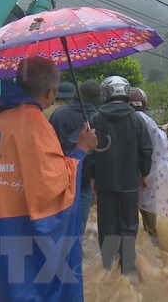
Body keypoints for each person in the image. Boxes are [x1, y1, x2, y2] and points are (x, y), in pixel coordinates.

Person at [0, 56, 98, 301]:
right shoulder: (34, 123)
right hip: (15, 232)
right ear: (51, 92)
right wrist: (82, 149)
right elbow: (53, 185)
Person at [89, 76, 153, 277]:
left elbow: (91, 152)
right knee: (129, 224)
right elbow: (146, 149)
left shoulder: (96, 118)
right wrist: (144, 173)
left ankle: (108, 269)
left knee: (107, 224)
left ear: (106, 93)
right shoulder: (136, 118)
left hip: (105, 180)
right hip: (129, 181)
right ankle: (127, 270)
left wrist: (92, 177)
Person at [49, 79, 101, 235]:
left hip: (60, 176)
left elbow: (50, 144)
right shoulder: (98, 118)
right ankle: (75, 255)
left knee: (57, 221)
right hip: (85, 178)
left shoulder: (58, 114)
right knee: (79, 224)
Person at [128, 88, 168, 246]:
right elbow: (158, 141)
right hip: (147, 173)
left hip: (125, 173)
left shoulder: (124, 118)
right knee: (148, 211)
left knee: (128, 216)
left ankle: (131, 249)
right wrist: (164, 129)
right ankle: (154, 250)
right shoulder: (145, 119)